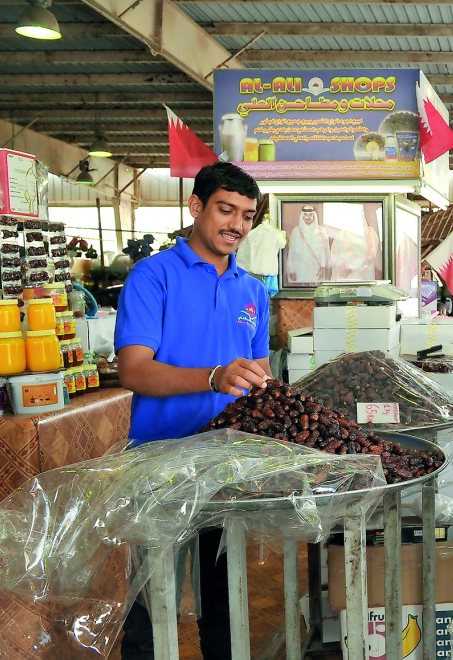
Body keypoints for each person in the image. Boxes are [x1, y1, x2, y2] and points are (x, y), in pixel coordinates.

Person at [115, 161, 272, 659]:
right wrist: (213, 376)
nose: (237, 225)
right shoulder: (153, 276)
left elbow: (259, 376)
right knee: (151, 597)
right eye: (225, 210)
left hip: (226, 465)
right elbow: (134, 370)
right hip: (160, 464)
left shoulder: (252, 290)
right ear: (196, 206)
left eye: (247, 216)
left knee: (223, 594)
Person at [329, 209, 382, 281]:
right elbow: (333, 256)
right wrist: (342, 265)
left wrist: (351, 267)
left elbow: (370, 256)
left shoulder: (370, 233)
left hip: (361, 281)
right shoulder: (341, 234)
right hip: (343, 282)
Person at [286, 204, 331, 285]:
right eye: (305, 215)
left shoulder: (321, 231)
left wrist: (323, 267)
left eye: (311, 215)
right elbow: (291, 253)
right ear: (302, 216)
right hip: (300, 270)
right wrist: (291, 270)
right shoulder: (296, 231)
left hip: (316, 271)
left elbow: (324, 251)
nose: (308, 217)